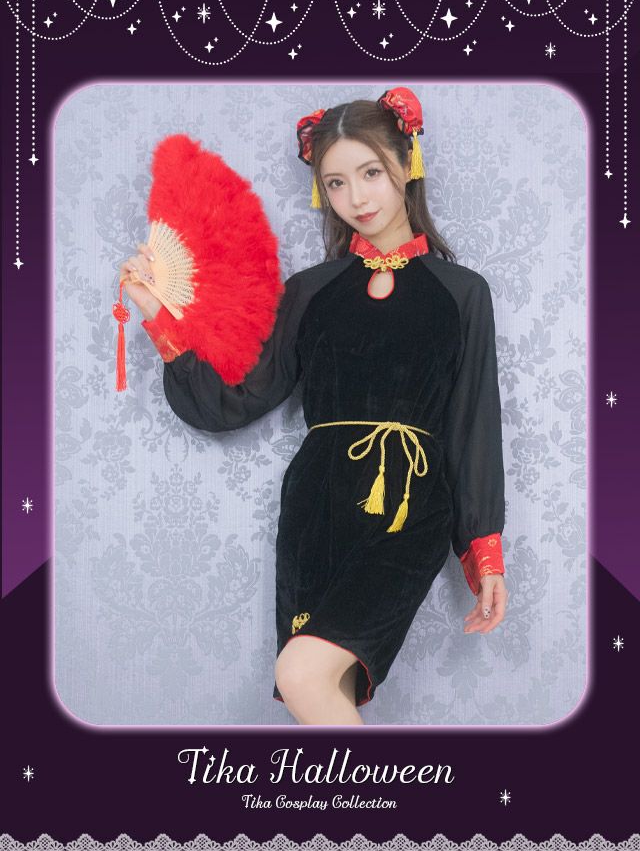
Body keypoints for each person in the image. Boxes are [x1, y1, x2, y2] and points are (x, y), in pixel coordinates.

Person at [120, 86, 509, 726]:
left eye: (371, 173)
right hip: (316, 509)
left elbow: (474, 425)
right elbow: (238, 399)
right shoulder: (309, 291)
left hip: (409, 507)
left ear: (406, 163)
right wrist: (161, 318)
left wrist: (484, 551)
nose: (357, 198)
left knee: (300, 672)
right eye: (335, 183)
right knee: (322, 690)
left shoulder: (462, 292)